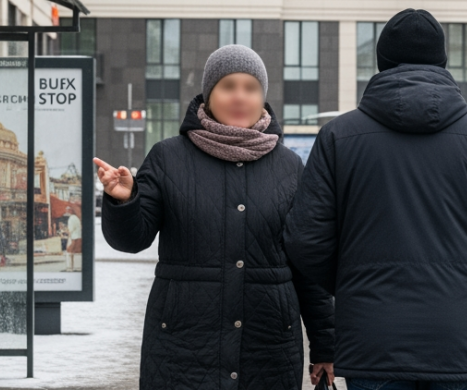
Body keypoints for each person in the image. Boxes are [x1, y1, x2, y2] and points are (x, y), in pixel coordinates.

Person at [286, 8, 467, 390]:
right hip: (456, 340)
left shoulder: (338, 137)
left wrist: (355, 281)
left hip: (370, 339)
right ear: (442, 62)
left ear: (382, 63)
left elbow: (305, 238)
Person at [96, 44, 335, 390]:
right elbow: (131, 240)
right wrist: (125, 201)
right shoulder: (168, 158)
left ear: (262, 97)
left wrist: (325, 345)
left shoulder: (289, 167)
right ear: (209, 95)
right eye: (228, 86)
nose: (240, 97)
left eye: (250, 88)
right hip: (182, 349)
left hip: (268, 349)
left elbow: (308, 266)